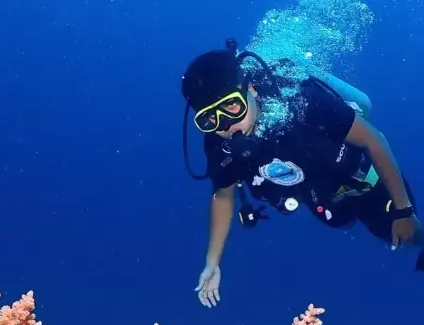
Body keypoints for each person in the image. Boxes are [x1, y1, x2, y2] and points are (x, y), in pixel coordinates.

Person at [180, 41, 422, 308]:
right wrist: (212, 262)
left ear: (250, 88)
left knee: (401, 233)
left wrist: (403, 211)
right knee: (341, 220)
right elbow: (224, 195)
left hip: (362, 178)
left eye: (232, 107)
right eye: (209, 119)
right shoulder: (218, 142)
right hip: (320, 195)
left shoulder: (302, 101)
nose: (225, 124)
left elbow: (374, 140)